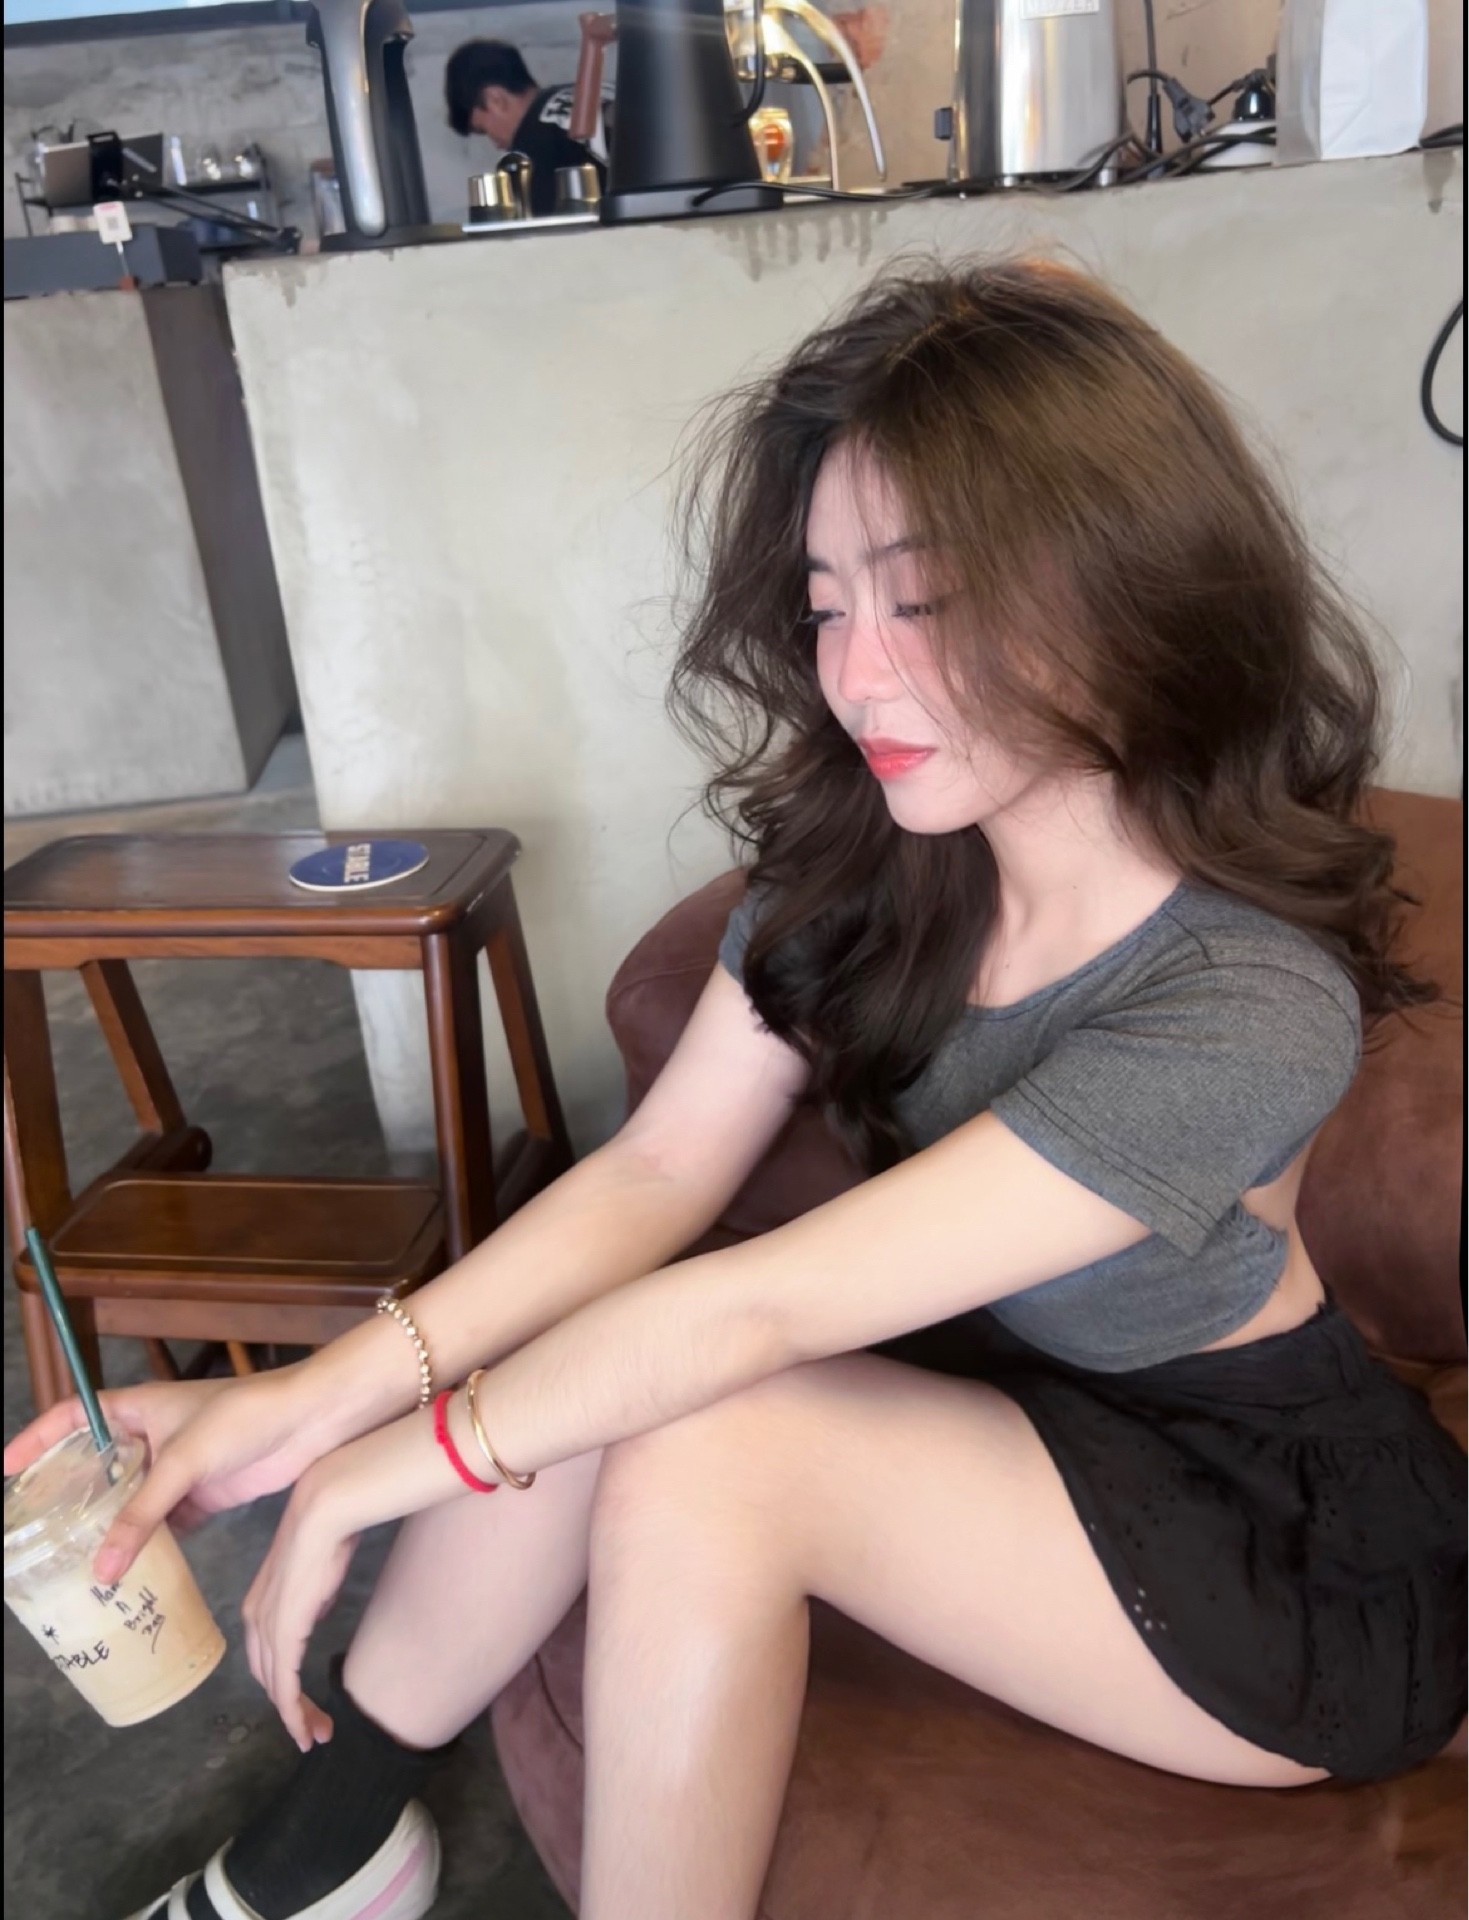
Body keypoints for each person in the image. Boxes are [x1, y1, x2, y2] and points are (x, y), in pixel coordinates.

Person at [9, 261, 1464, 1920]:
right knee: (626, 1349)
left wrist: (370, 1464)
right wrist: (304, 1406)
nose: (857, 676)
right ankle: (323, 1854)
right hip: (1007, 1409)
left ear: (1123, 582)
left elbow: (752, 1316)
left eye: (924, 600)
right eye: (827, 603)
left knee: (708, 1433)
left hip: (1267, 1532)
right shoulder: (873, 868)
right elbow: (654, 1178)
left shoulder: (1243, 1004)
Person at [445, 39, 608, 218]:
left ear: (495, 100)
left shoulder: (535, 143)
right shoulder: (590, 92)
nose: (497, 145)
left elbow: (551, 232)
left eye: (483, 130)